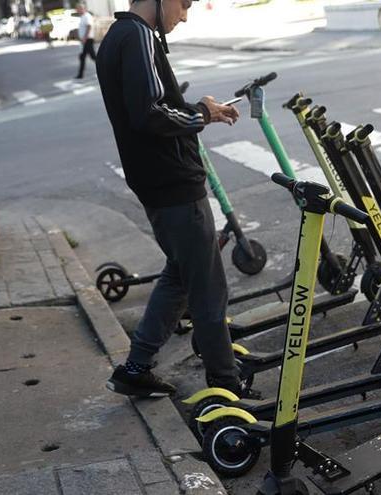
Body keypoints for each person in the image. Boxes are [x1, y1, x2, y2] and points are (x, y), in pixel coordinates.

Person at [96, 0, 246, 398]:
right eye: (183, 4)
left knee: (182, 274)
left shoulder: (118, 38)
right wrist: (203, 114)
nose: (185, 14)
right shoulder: (139, 37)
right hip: (173, 182)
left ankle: (135, 367)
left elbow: (150, 108)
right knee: (208, 289)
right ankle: (226, 387)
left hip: (156, 181)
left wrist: (198, 111)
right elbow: (151, 114)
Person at [74, 3, 96, 79]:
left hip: (88, 39)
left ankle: (80, 74)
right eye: (77, 9)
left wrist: (84, 38)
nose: (78, 10)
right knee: (84, 57)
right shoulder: (82, 17)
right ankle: (80, 74)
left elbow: (89, 26)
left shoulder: (87, 16)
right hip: (85, 40)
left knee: (91, 57)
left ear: (84, 9)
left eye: (80, 8)